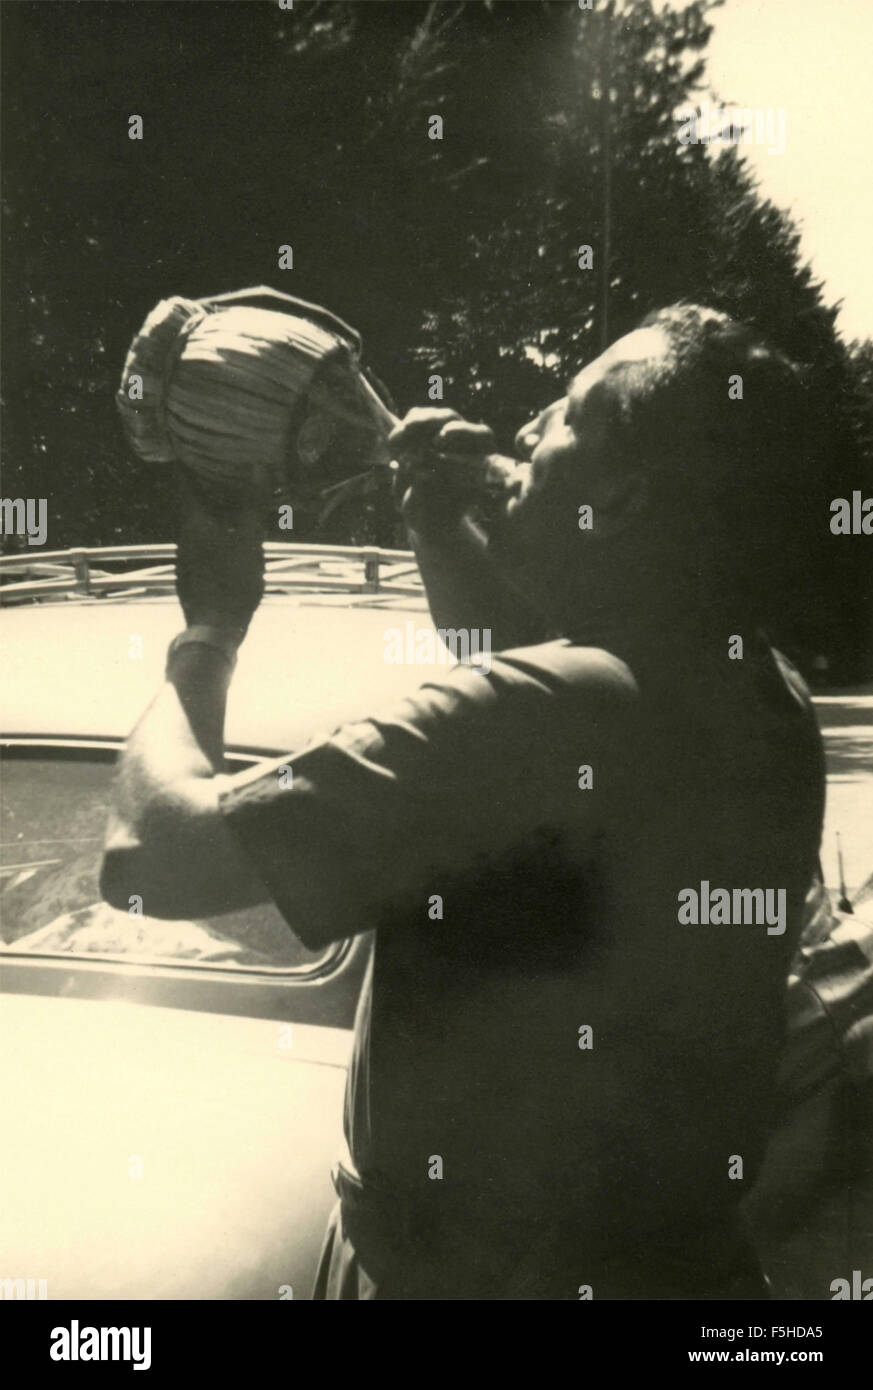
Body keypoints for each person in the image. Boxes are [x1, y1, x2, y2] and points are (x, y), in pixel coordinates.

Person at [101, 302, 825, 1300]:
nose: (522, 429)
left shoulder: (534, 720)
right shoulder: (762, 693)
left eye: (567, 413)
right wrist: (443, 518)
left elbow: (151, 857)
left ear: (619, 499)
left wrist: (210, 632)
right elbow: (526, 660)